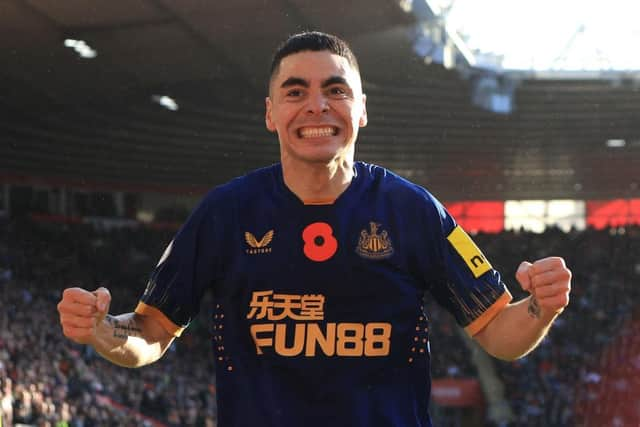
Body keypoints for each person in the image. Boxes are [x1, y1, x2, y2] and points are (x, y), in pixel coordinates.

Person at [57, 31, 572, 426]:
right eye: (295, 91)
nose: (316, 106)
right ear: (271, 113)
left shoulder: (413, 211)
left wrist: (539, 307)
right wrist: (104, 330)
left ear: (362, 109)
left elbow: (499, 331)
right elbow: (150, 332)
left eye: (335, 90)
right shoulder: (224, 213)